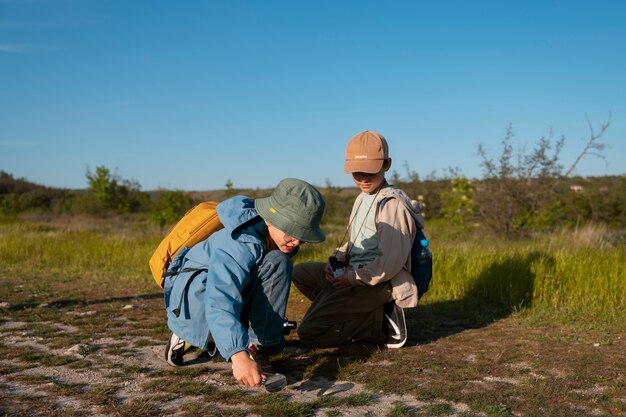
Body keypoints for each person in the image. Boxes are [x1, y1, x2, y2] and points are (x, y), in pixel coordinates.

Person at [163, 178, 325, 389]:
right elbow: (220, 298)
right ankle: (188, 333)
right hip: (197, 301)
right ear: (269, 219)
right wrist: (238, 356)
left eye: (303, 236)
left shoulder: (278, 241)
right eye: (291, 231)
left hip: (230, 293)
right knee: (209, 327)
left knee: (279, 262)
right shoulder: (239, 243)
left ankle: (259, 349)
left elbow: (264, 283)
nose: (296, 241)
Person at [293, 130, 424, 349]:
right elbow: (355, 240)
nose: (363, 179)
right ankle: (358, 310)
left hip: (380, 282)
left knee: (308, 333)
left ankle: (378, 324)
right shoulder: (361, 198)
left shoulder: (392, 206)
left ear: (387, 165)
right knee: (300, 273)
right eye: (356, 173)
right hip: (353, 272)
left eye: (370, 172)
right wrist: (337, 259)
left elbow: (388, 266)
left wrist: (351, 278)